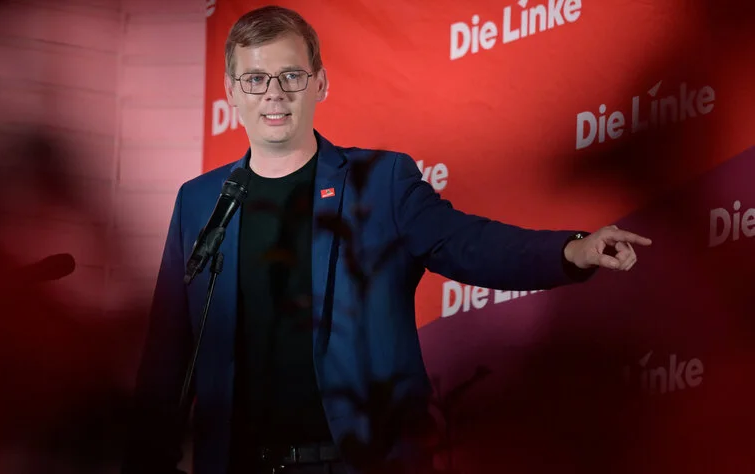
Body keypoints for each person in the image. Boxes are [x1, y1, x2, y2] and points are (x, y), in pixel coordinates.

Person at [124, 5, 652, 474]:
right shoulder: (199, 201)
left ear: (320, 83)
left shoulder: (382, 183)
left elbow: (470, 245)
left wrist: (571, 249)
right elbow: (168, 350)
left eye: (291, 75)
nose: (274, 94)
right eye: (256, 79)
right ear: (232, 91)